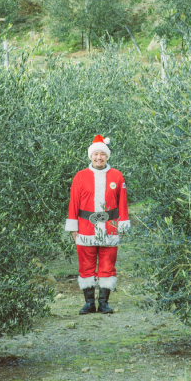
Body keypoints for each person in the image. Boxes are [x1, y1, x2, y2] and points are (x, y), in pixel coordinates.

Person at [65, 135, 130, 315]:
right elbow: (73, 203)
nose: (99, 158)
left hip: (110, 228)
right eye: (96, 154)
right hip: (86, 228)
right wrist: (73, 228)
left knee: (107, 266)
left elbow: (122, 203)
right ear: (90, 156)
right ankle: (88, 303)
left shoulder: (117, 176)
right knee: (86, 266)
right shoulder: (80, 176)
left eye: (102, 154)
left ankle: (103, 303)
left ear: (107, 156)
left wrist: (122, 227)